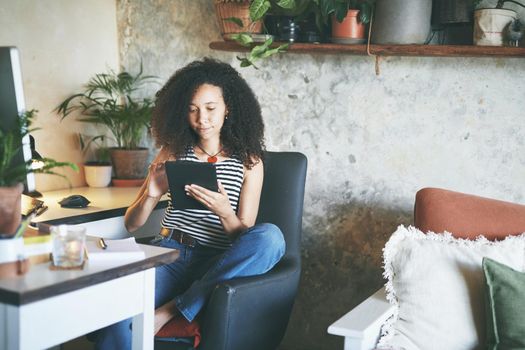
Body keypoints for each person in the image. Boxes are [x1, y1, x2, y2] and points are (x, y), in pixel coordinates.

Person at [93, 58, 285, 349]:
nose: (202, 119)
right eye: (193, 109)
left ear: (227, 108)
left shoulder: (250, 161)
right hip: (170, 253)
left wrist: (223, 211)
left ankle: (173, 310)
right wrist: (153, 193)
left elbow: (244, 234)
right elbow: (132, 223)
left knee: (271, 237)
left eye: (210, 109)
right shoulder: (172, 151)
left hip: (218, 260)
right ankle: (181, 308)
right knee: (117, 316)